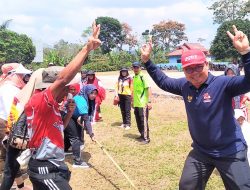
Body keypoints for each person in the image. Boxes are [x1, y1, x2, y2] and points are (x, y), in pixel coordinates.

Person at [140, 25, 250, 189]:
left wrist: (246, 53)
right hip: (202, 151)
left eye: (198, 66)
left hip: (230, 151)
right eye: (188, 69)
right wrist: (147, 61)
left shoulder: (223, 84)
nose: (194, 72)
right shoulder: (185, 86)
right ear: (183, 70)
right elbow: (163, 82)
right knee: (187, 187)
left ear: (206, 64)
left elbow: (248, 82)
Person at [24, 21, 101, 190]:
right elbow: (63, 78)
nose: (68, 92)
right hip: (44, 167)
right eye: (65, 89)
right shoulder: (40, 101)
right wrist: (86, 49)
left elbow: (59, 128)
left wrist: (67, 114)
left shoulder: (50, 107)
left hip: (55, 165)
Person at [0, 63, 32, 189]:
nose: (25, 78)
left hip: (5, 124)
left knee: (10, 160)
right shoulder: (10, 89)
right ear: (14, 75)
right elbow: (12, 113)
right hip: (6, 125)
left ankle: (20, 185)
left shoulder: (7, 87)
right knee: (10, 160)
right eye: (22, 76)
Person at [64, 84, 97, 168]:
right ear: (87, 92)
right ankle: (77, 162)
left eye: (95, 93)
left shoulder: (84, 98)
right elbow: (86, 120)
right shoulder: (82, 100)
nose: (93, 95)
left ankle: (65, 150)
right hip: (66, 115)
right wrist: (91, 134)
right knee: (75, 138)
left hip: (73, 116)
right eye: (91, 93)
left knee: (75, 133)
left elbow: (84, 118)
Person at [132, 62, 152, 144]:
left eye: (137, 67)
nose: (135, 69)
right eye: (134, 67)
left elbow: (148, 89)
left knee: (143, 121)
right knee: (138, 120)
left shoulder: (143, 77)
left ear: (140, 68)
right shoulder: (134, 77)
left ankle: (146, 138)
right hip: (136, 103)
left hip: (143, 103)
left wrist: (149, 101)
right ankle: (142, 135)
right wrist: (132, 101)